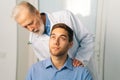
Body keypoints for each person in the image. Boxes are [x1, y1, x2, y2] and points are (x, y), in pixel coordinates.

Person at [12, 1, 94, 66]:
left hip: (84, 68)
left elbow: (87, 38)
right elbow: (47, 62)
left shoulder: (65, 17)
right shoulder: (34, 40)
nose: (30, 29)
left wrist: (81, 58)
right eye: (25, 27)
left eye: (31, 23)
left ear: (37, 13)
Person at [26, 23, 93, 80]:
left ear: (70, 44)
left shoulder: (82, 73)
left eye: (62, 38)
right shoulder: (34, 70)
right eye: (53, 37)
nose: (56, 42)